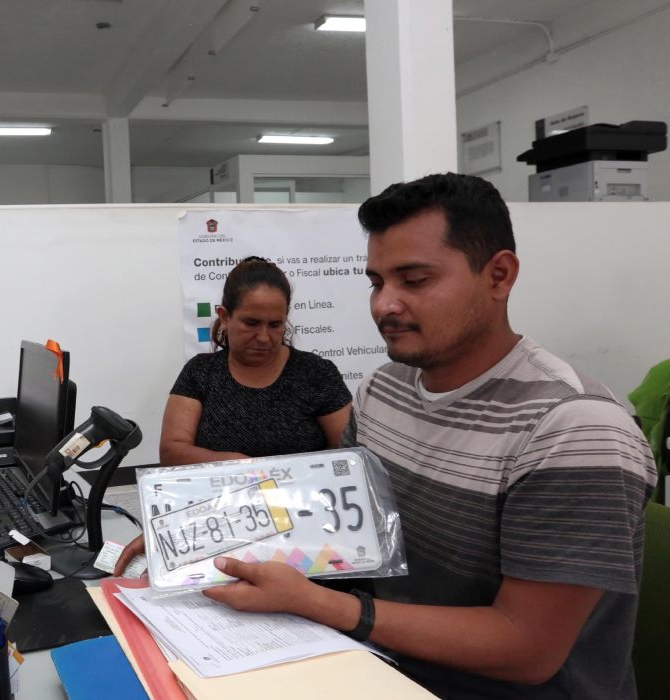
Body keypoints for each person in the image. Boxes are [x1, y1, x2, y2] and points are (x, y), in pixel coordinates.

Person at [194, 174, 656, 698]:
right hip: (378, 666)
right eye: (376, 282)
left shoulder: (573, 429)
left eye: (414, 281)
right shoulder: (384, 388)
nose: (383, 305)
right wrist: (204, 532)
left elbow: (526, 648)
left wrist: (322, 605)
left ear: (499, 276)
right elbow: (335, 519)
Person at [115, 256, 352, 572]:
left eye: (275, 325)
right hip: (214, 531)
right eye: (251, 323)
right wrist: (243, 468)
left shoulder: (316, 375)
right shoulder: (201, 373)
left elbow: (349, 460)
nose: (264, 337)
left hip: (304, 537)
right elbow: (172, 452)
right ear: (225, 317)